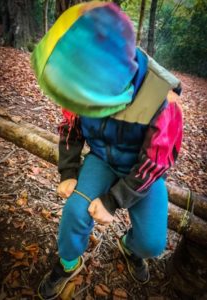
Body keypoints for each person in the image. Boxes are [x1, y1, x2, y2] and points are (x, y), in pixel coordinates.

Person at [31, 1, 183, 299]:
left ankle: (130, 248)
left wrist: (113, 201)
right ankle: (68, 263)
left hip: (141, 172)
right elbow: (70, 127)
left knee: (152, 244)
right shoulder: (82, 79)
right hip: (101, 158)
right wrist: (69, 171)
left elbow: (156, 161)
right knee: (75, 212)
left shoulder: (164, 102)